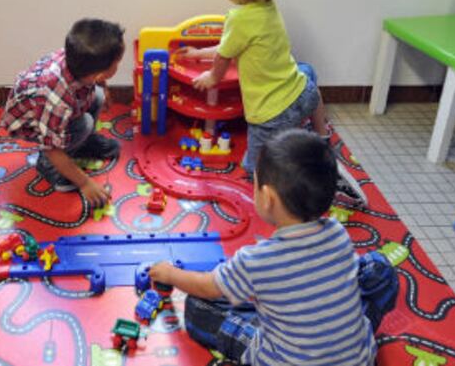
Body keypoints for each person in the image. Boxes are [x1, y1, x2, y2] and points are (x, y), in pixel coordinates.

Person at [148, 129, 377, 365]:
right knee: (377, 270)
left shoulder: (257, 260)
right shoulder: (339, 233)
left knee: (197, 308)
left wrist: (171, 274)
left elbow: (207, 288)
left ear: (267, 197)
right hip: (358, 359)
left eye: (254, 182)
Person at [176, 0, 367, 206]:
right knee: (307, 74)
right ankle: (323, 139)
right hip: (303, 93)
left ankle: (324, 185)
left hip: (271, 114)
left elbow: (225, 55)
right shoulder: (267, 6)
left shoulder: (238, 18)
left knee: (253, 168)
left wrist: (211, 76)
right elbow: (230, 46)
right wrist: (198, 52)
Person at [0, 18, 125, 207]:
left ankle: (82, 143)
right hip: (33, 122)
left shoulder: (80, 62)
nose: (118, 65)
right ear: (101, 73)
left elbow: (95, 80)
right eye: (117, 63)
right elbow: (51, 147)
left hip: (56, 109)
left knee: (97, 96)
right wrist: (85, 183)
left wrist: (103, 87)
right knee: (84, 124)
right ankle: (47, 166)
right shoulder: (56, 97)